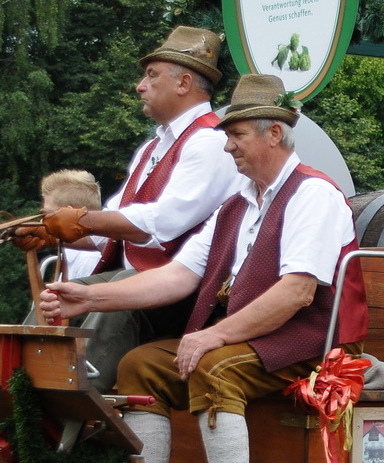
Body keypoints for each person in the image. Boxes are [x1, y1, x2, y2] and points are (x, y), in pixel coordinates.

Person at [40, 73, 368, 463]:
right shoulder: (236, 204)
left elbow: (297, 293)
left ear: (273, 134)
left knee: (215, 366)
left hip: (309, 343)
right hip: (247, 337)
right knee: (140, 367)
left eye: (236, 135)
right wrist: (88, 298)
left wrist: (211, 334)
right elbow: (177, 276)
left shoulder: (313, 195)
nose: (227, 144)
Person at [15, 26, 241, 383]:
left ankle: (72, 405)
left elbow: (159, 224)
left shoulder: (210, 143)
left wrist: (79, 219)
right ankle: (19, 384)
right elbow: (110, 233)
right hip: (148, 282)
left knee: (120, 284)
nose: (140, 85)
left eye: (151, 75)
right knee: (56, 296)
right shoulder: (151, 149)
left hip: (189, 291)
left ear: (183, 83)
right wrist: (49, 232)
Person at [37, 170, 108, 282]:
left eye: (47, 214)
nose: (42, 221)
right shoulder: (69, 256)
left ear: (69, 213)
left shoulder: (88, 260)